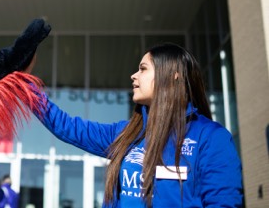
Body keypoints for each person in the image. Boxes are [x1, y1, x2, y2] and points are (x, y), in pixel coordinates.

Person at [30, 43, 243, 207]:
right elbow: (65, 126)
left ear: (172, 75)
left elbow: (223, 202)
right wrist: (23, 84)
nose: (134, 76)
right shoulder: (126, 134)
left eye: (143, 69)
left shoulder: (211, 138)